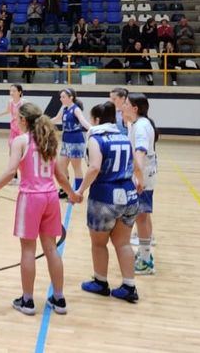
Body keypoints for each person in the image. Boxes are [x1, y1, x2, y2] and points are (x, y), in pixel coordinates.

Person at [0, 102, 80, 315]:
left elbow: (11, 173)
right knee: (51, 249)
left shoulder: (20, 141)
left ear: (24, 121)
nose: (16, 121)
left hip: (31, 198)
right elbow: (60, 175)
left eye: (18, 118)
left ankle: (27, 301)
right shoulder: (48, 140)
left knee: (28, 250)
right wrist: (72, 194)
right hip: (51, 197)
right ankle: (59, 298)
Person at [77, 101, 139, 303]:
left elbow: (94, 168)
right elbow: (136, 163)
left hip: (105, 196)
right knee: (123, 243)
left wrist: (80, 190)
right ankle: (129, 286)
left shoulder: (96, 138)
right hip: (129, 195)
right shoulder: (124, 137)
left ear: (95, 120)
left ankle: (101, 282)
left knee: (98, 243)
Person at [123, 93, 158, 276]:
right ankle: (145, 255)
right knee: (143, 216)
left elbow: (140, 152)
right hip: (143, 174)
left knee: (141, 217)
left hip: (142, 176)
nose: (123, 105)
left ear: (135, 108)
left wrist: (138, 177)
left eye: (126, 103)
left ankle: (145, 261)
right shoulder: (136, 124)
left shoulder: (141, 126)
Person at [50, 88, 92, 199]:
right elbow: (56, 118)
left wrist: (94, 130)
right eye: (60, 97)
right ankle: (65, 189)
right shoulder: (64, 108)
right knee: (61, 166)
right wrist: (43, 121)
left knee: (76, 167)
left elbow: (83, 122)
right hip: (66, 139)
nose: (61, 98)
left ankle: (78, 192)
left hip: (76, 140)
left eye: (63, 97)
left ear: (71, 97)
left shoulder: (76, 109)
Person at [0, 84, 27, 184]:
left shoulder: (23, 102)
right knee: (12, 152)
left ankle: (24, 176)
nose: (11, 93)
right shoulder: (10, 102)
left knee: (23, 154)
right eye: (10, 91)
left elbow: (27, 115)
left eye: (14, 91)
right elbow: (7, 111)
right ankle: (14, 176)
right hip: (13, 129)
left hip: (21, 130)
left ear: (19, 92)